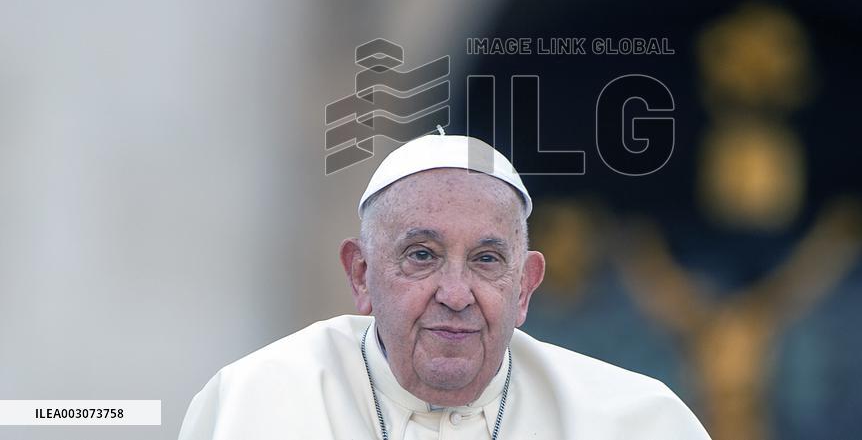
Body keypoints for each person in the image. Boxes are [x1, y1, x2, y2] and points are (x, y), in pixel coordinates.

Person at [179, 134, 711, 439]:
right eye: (422, 256)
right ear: (361, 274)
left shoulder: (635, 421)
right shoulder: (258, 402)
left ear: (524, 287)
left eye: (485, 260)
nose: (455, 294)